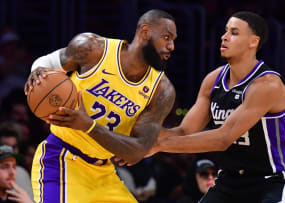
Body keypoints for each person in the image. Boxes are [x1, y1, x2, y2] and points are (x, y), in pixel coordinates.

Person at [24, 9, 177, 202]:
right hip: (61, 159)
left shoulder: (162, 91)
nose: (171, 46)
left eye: (173, 40)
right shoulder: (93, 48)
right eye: (166, 37)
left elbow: (137, 151)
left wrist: (88, 126)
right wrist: (37, 72)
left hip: (104, 172)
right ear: (145, 32)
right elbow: (47, 62)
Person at [145, 11, 285, 202]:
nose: (224, 37)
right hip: (229, 180)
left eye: (234, 33)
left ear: (253, 42)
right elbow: (185, 131)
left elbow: (223, 138)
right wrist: (146, 136)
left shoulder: (267, 85)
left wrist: (159, 145)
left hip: (270, 182)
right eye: (225, 31)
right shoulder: (213, 80)